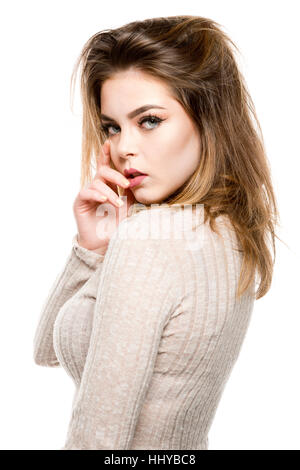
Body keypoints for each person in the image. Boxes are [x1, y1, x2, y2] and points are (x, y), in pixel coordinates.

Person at [33, 15, 280, 450]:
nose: (124, 147)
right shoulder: (228, 228)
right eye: (112, 126)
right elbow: (47, 351)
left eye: (148, 120)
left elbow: (99, 439)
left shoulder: (150, 240)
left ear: (209, 118)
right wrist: (93, 248)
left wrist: (122, 243)